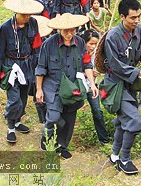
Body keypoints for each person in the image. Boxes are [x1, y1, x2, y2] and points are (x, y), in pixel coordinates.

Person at [103, 0, 141, 175]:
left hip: (131, 84)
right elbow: (114, 65)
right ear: (122, 17)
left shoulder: (140, 30)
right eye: (133, 18)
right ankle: (124, 159)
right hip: (115, 84)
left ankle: (114, 155)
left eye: (139, 16)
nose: (137, 21)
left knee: (122, 123)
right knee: (134, 122)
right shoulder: (112, 37)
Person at [35, 13, 99, 159]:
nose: (70, 34)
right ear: (59, 30)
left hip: (73, 87)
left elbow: (87, 64)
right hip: (54, 87)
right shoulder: (49, 44)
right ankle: (46, 138)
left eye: (73, 30)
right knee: (54, 117)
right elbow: (40, 68)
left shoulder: (80, 43)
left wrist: (93, 84)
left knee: (70, 118)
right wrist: (39, 89)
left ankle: (62, 146)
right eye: (66, 31)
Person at [0, 0, 44, 144]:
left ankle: (17, 121)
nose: (27, 17)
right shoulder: (5, 28)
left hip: (27, 64)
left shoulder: (33, 23)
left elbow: (37, 46)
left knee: (23, 97)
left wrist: (39, 67)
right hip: (11, 65)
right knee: (14, 99)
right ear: (16, 13)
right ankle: (10, 128)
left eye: (29, 14)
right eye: (24, 15)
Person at [81, 29, 110, 144]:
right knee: (69, 111)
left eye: (95, 44)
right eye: (90, 44)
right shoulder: (78, 53)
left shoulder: (97, 55)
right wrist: (86, 74)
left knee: (97, 111)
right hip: (78, 87)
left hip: (93, 87)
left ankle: (104, 139)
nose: (93, 47)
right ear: (84, 42)